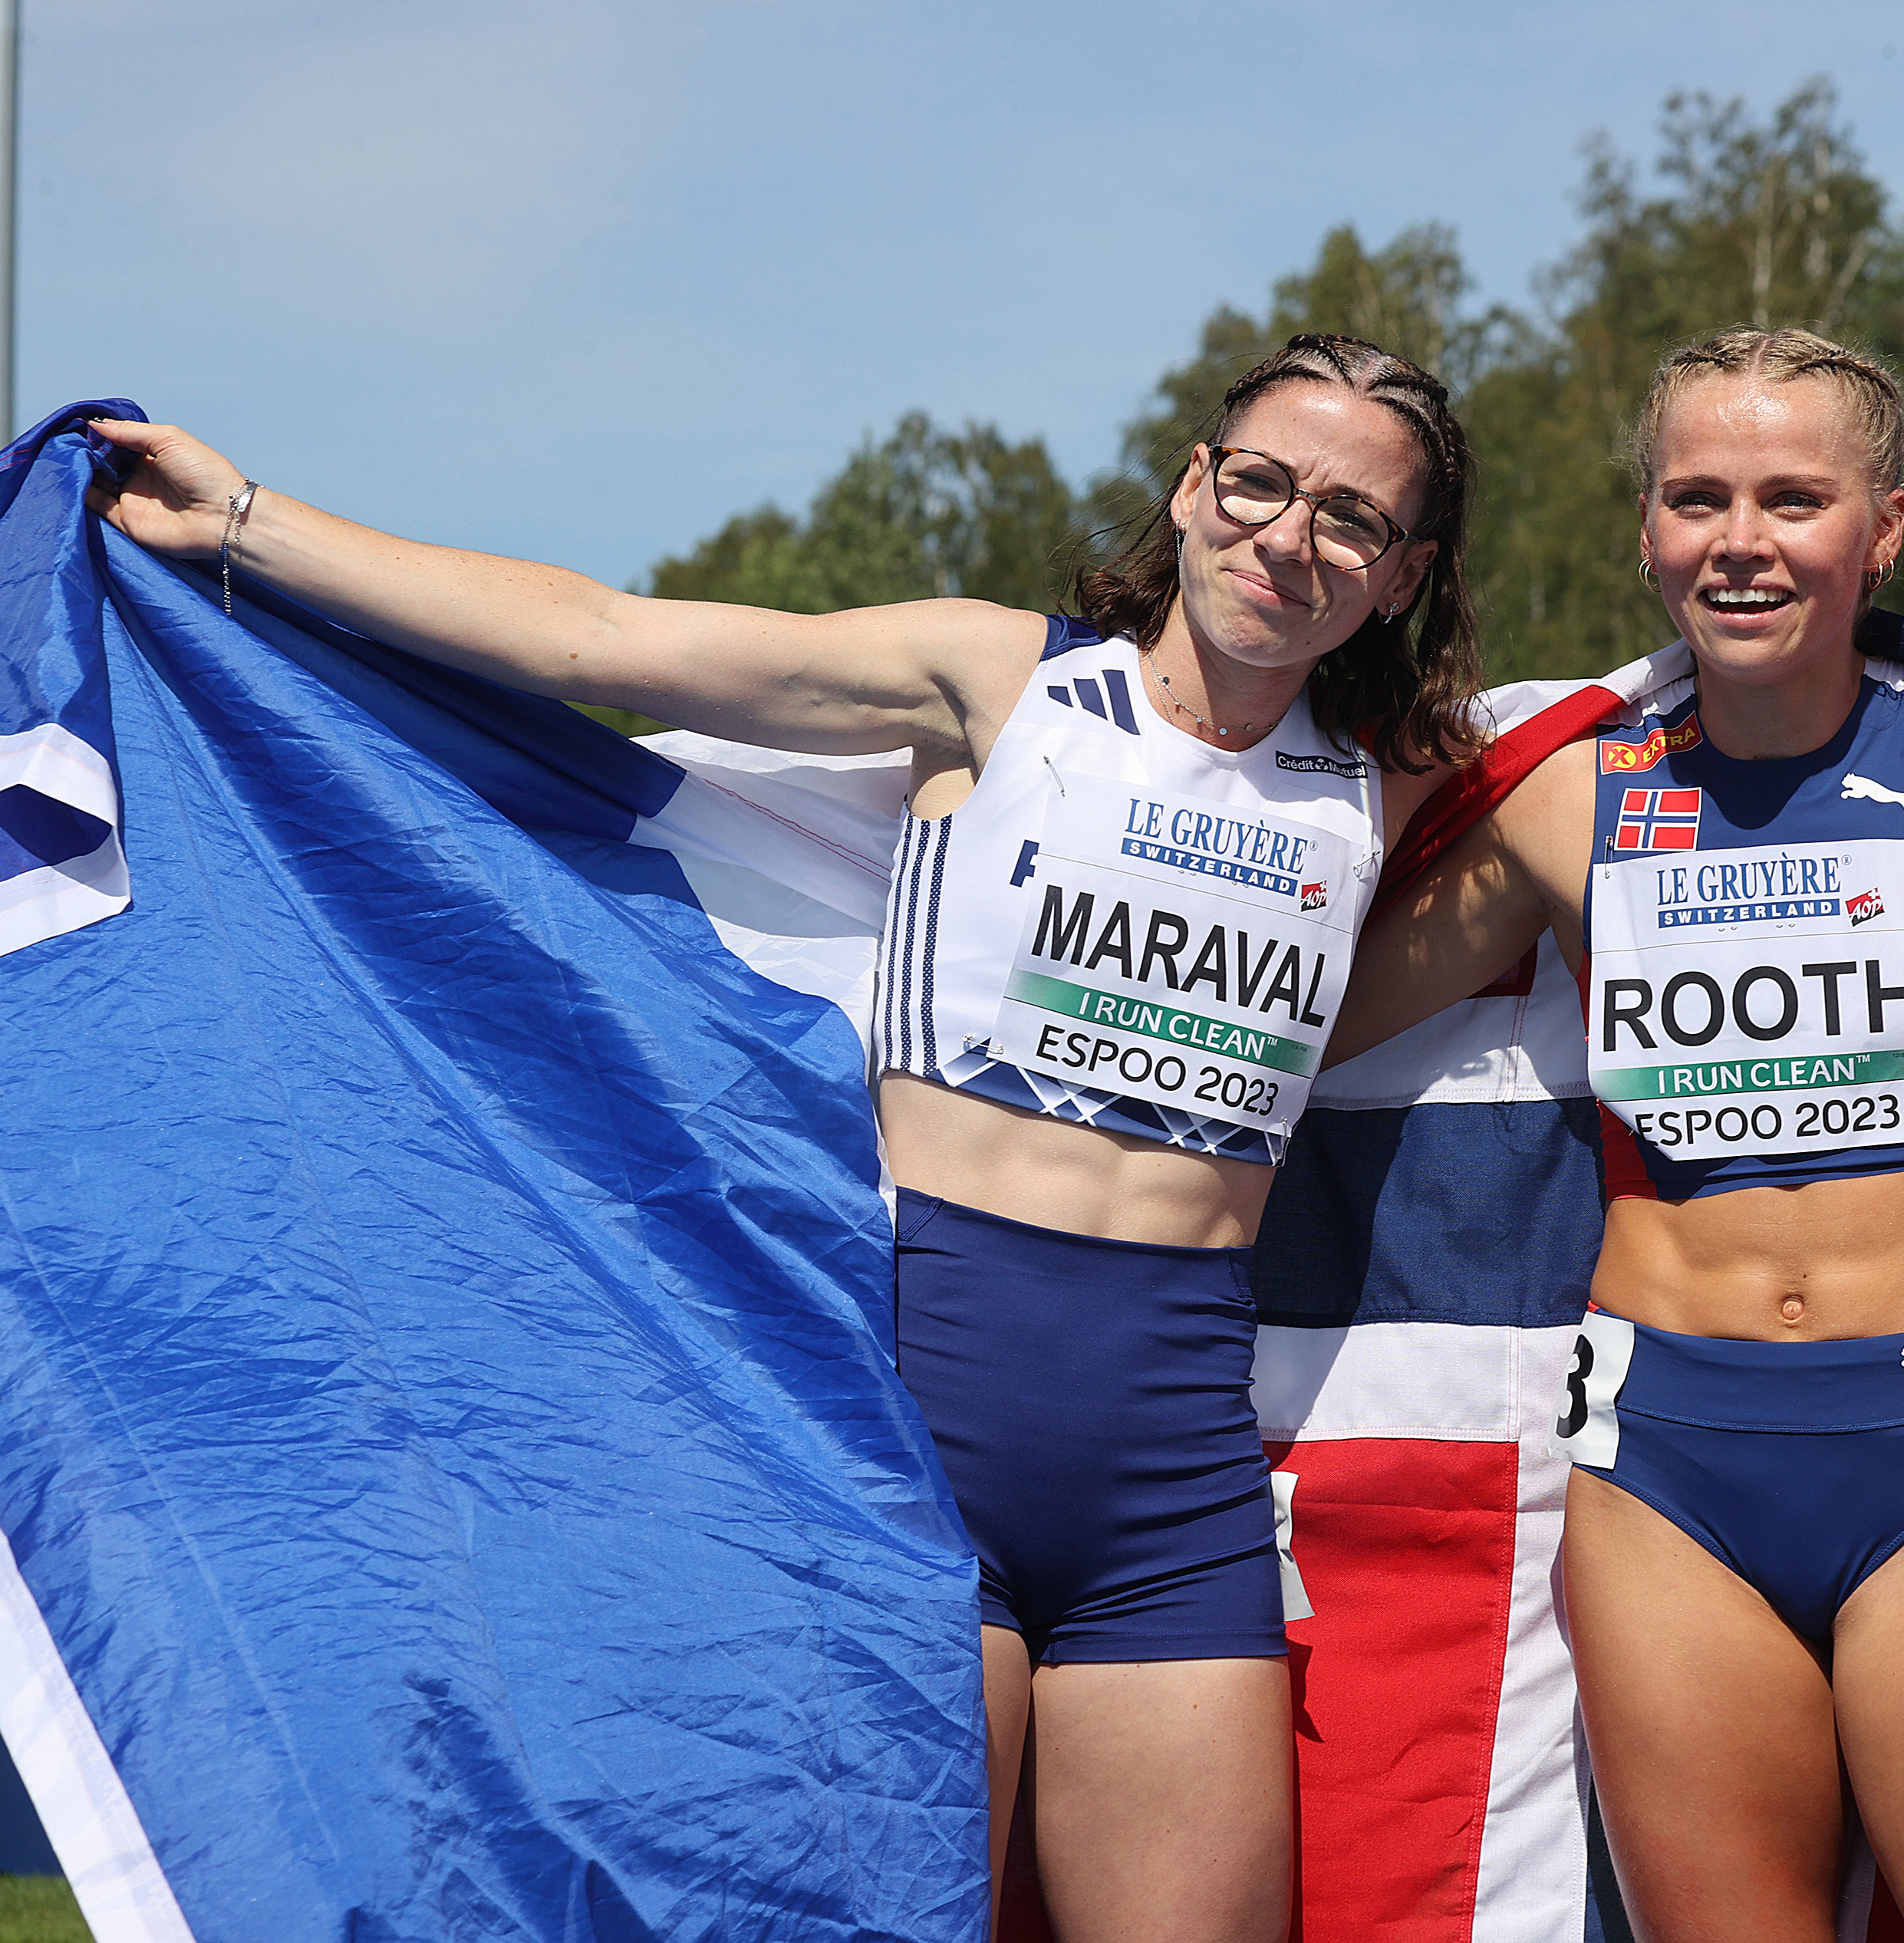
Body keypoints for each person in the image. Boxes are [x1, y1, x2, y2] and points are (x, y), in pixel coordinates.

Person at [88, 331, 1484, 1943]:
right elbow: (605, 637)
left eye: (1352, 517)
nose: (1289, 535)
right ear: (1192, 486)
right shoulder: (997, 678)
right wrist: (247, 519)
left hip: (1174, 1488)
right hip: (906, 1439)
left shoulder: (1387, 792)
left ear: (1404, 574)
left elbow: (1636, 772)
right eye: (1259, 481)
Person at [1329, 327, 1904, 1941]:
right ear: (1647, 531)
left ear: (1883, 531)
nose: (1740, 539)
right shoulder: (1568, 803)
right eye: (1698, 497)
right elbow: (1302, 1020)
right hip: (1666, 1466)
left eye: (1792, 499)